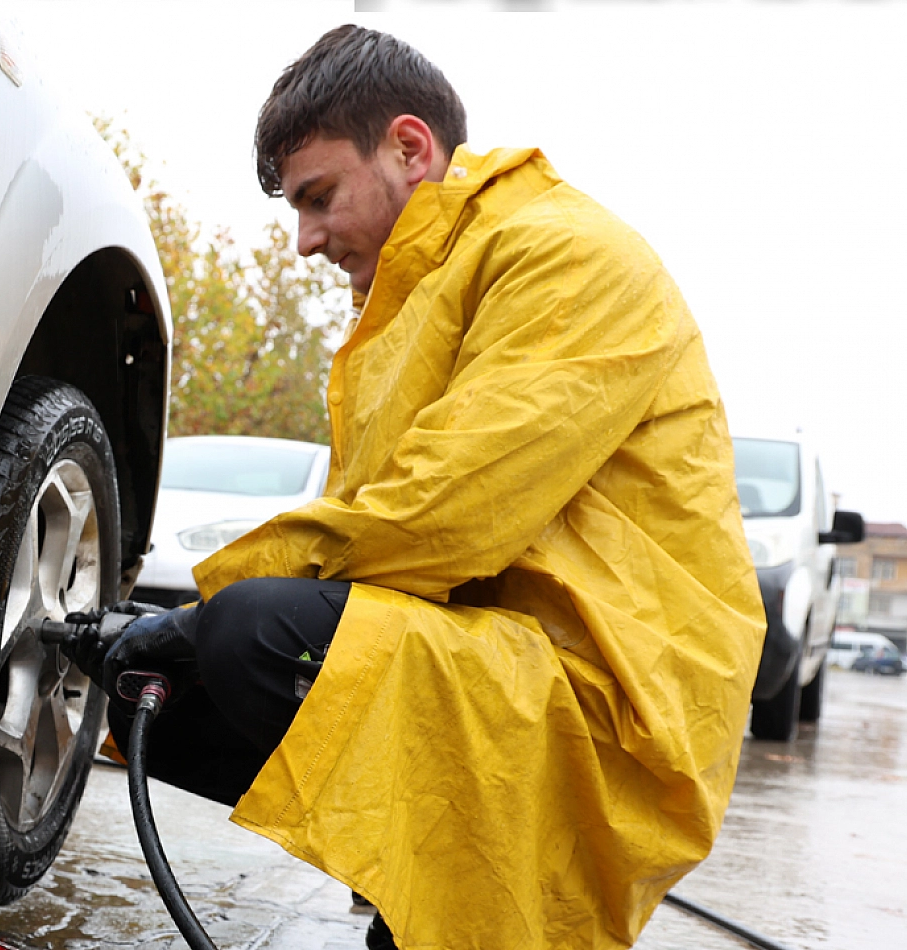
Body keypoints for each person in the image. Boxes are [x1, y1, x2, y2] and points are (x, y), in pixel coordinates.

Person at [89, 25, 765, 950]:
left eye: (319, 198)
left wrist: (205, 604)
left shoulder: (564, 257)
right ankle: (425, 898)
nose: (304, 241)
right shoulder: (418, 302)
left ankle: (457, 910)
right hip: (498, 652)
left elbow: (443, 519)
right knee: (150, 696)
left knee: (249, 636)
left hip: (602, 701)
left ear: (409, 148)